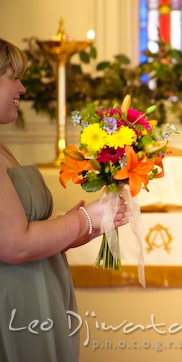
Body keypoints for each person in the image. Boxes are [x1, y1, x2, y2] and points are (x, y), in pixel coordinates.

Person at [0, 38, 129, 362]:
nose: (23, 88)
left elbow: (24, 231)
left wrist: (84, 226)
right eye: (13, 77)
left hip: (39, 292)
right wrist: (84, 219)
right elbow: (15, 245)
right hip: (15, 302)